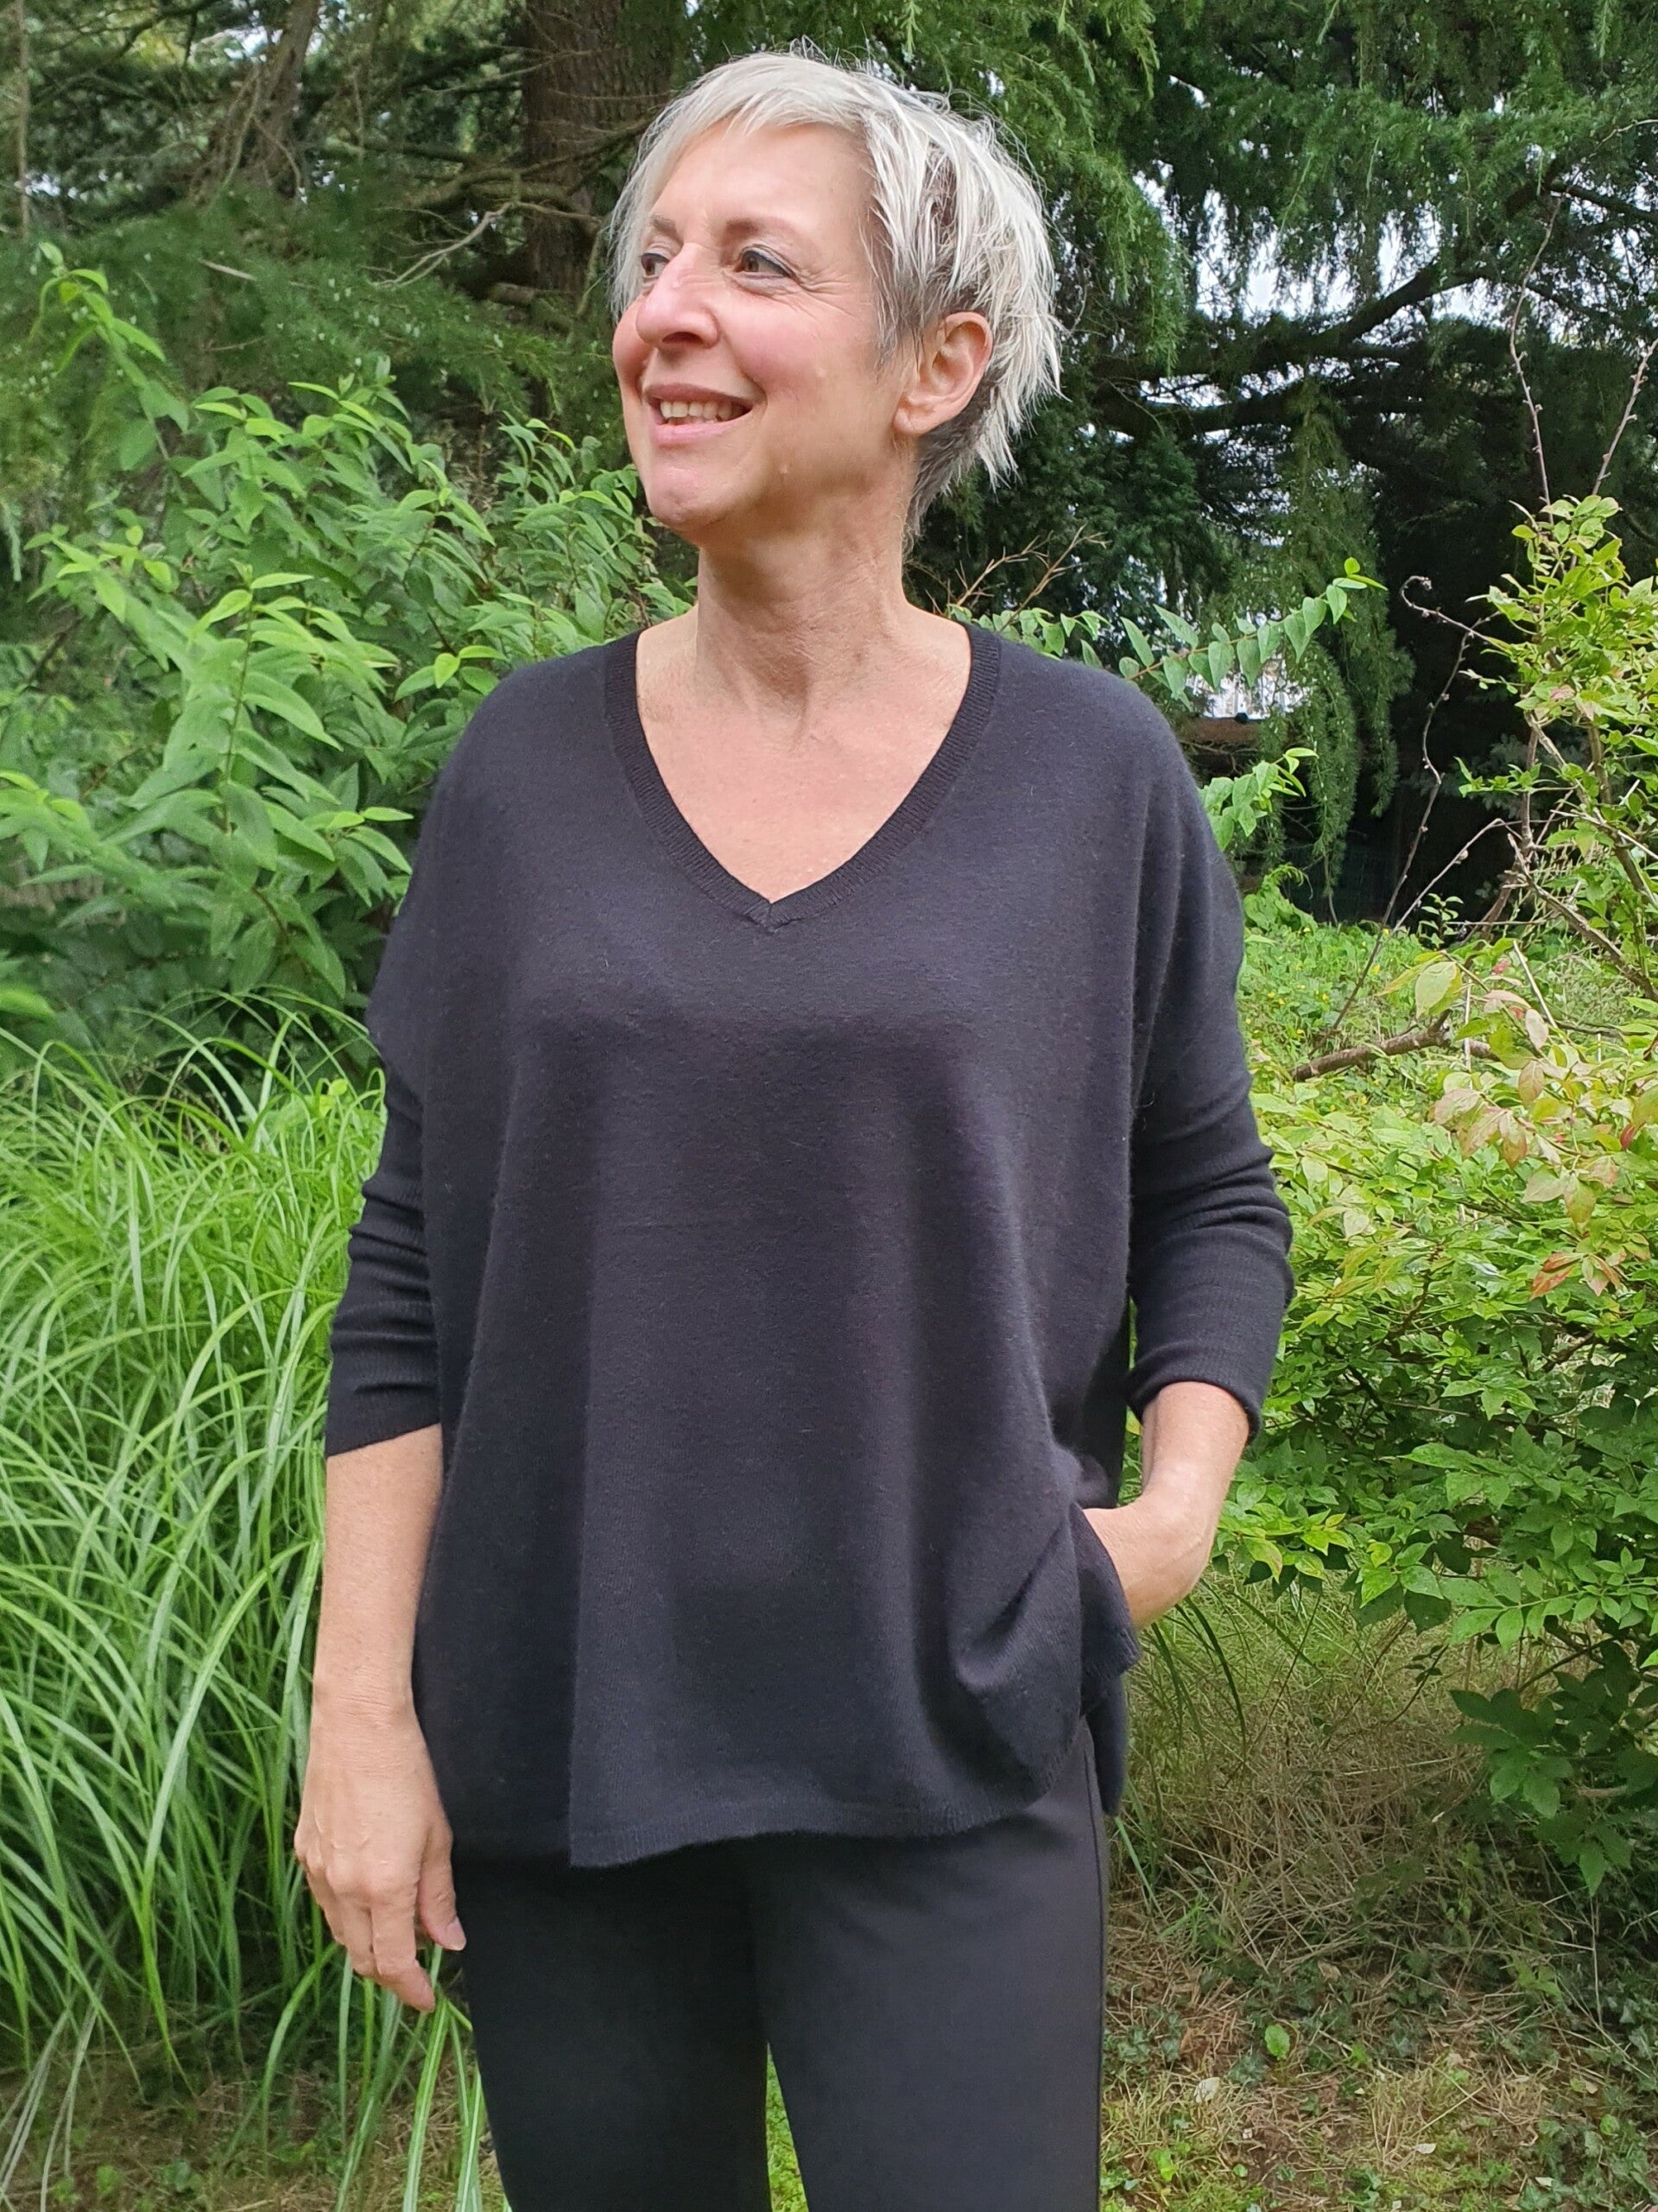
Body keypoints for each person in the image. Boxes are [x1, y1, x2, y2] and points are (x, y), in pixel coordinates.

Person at [297, 46, 1294, 2212]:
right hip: (568, 1727)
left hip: (955, 1718)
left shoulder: (1092, 779)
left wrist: (1169, 1520)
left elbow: (1207, 1187)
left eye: (756, 265)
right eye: (655, 258)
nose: (666, 312)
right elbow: (412, 1267)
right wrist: (362, 1715)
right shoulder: (521, 777)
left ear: (939, 365)